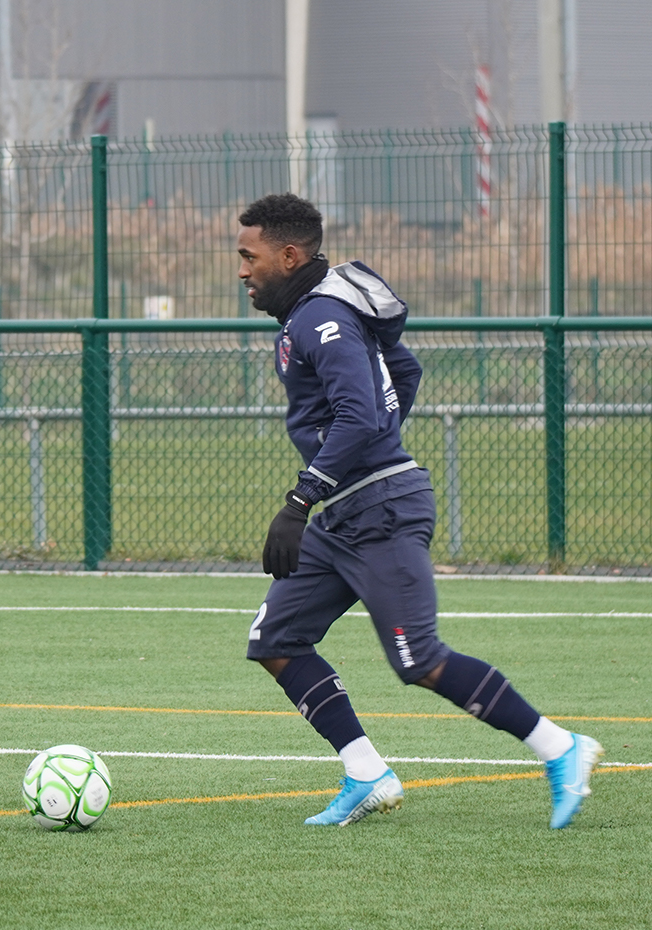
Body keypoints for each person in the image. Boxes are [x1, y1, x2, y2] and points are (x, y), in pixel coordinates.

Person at [236, 192, 602, 829]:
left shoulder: (321, 319)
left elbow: (361, 410)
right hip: (347, 513)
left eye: (250, 255)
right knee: (276, 640)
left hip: (380, 511)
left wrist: (302, 497)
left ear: (289, 255)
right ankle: (367, 774)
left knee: (419, 660)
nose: (241, 269)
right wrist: (358, 455)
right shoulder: (321, 310)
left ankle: (561, 748)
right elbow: (404, 372)